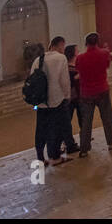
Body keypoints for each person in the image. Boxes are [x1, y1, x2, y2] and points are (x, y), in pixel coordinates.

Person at [74, 33, 112, 156]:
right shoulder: (104, 53)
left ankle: (84, 149)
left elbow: (78, 70)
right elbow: (107, 65)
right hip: (102, 89)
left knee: (86, 121)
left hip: (86, 92)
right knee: (107, 117)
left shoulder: (80, 58)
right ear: (97, 42)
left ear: (86, 43)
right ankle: (111, 142)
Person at [31, 36, 74, 166]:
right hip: (57, 100)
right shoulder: (61, 58)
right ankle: (54, 156)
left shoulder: (38, 60)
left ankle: (40, 157)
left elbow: (31, 79)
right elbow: (64, 80)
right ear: (60, 45)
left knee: (41, 129)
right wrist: (67, 96)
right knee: (56, 127)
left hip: (40, 102)